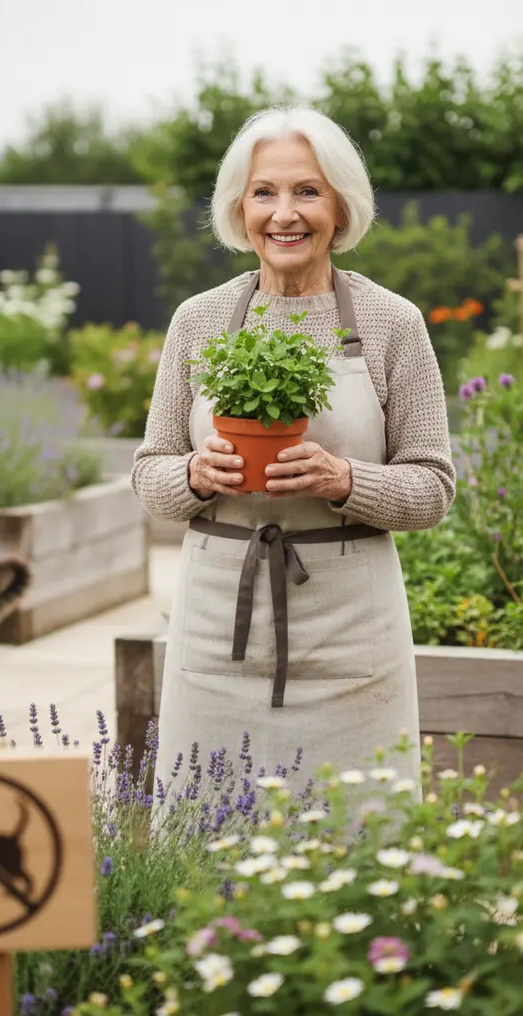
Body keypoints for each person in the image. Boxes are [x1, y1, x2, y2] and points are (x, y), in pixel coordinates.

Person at [131, 106, 455, 794]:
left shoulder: (391, 322)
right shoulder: (199, 320)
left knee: (360, 829)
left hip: (351, 638)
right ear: (239, 208)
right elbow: (149, 471)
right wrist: (194, 474)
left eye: (308, 191)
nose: (285, 213)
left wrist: (343, 479)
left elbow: (433, 487)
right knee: (205, 827)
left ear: (341, 207)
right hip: (217, 631)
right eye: (264, 192)